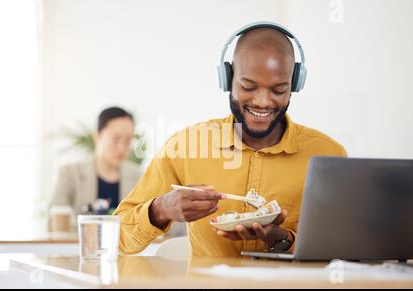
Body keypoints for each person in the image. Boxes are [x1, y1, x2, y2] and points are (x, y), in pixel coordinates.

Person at [114, 23, 347, 256]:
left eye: (279, 89)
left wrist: (283, 241)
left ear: (295, 84)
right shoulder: (184, 146)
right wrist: (160, 209)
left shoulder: (328, 155)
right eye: (248, 86)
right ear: (228, 79)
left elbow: (346, 250)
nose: (263, 101)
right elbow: (117, 238)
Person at [49, 107, 141, 228]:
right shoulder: (69, 173)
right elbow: (54, 225)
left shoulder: (139, 177)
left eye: (128, 140)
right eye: (116, 139)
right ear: (97, 137)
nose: (122, 148)